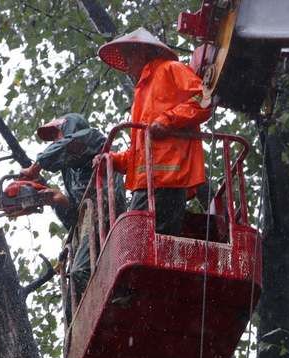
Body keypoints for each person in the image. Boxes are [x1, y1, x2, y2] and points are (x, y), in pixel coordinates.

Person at [97, 27, 212, 235]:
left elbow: (203, 100)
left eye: (128, 57)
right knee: (138, 243)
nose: (126, 65)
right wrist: (113, 160)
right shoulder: (142, 91)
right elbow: (141, 151)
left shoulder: (170, 69)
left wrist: (168, 120)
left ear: (141, 52)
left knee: (145, 244)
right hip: (147, 184)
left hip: (168, 181)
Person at [20, 113, 125, 301]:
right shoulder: (68, 171)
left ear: (70, 127)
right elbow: (74, 217)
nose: (54, 140)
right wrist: (58, 200)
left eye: (57, 134)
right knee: (72, 294)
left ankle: (118, 299)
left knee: (80, 271)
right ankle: (78, 325)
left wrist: (36, 167)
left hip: (106, 210)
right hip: (90, 219)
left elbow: (69, 144)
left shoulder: (92, 138)